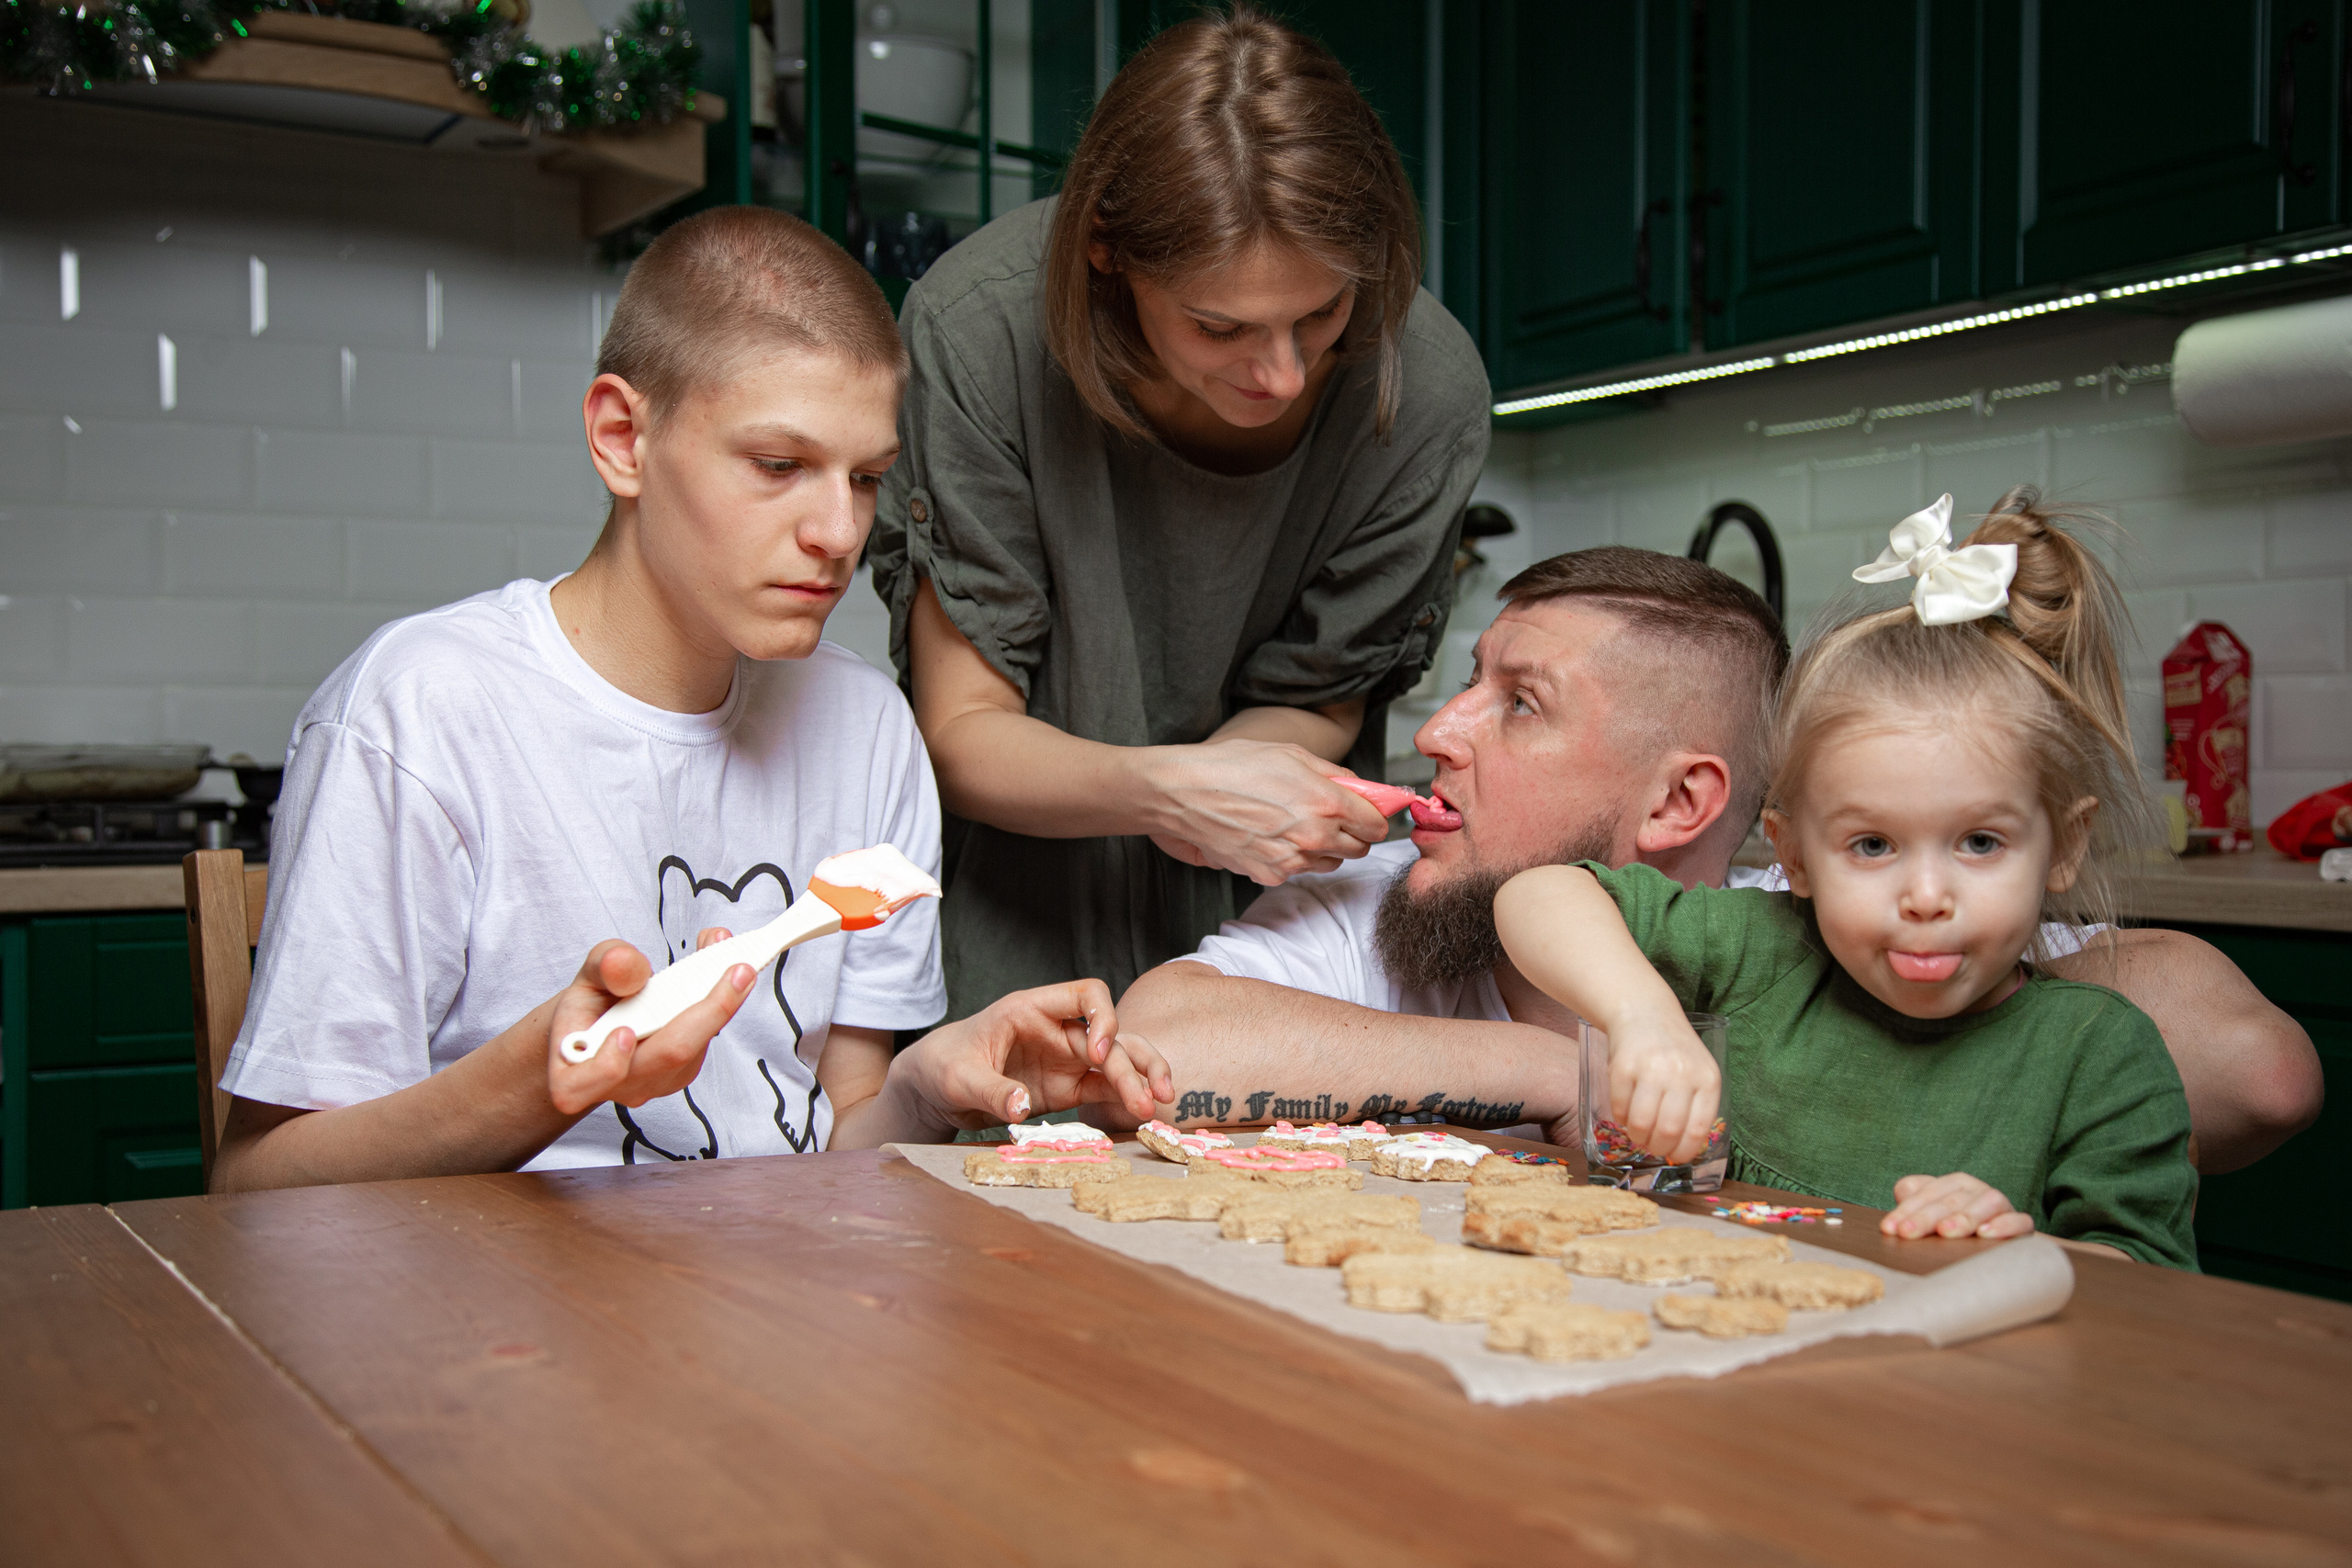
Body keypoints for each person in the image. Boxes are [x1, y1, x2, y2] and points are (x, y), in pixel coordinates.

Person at [212, 209, 1167, 1193]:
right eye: (779, 466)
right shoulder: (421, 712)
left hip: (766, 1301)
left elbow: (830, 1137)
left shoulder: (868, 728)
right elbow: (259, 1189)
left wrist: (928, 1089)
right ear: (623, 437)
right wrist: (549, 1083)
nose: (838, 532)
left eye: (868, 477)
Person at [1116, 547, 2323, 1178]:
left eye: (1518, 703)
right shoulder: (1383, 893)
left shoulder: (1830, 932)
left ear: (1682, 800)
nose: (1436, 730)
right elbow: (1162, 1041)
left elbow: (2255, 1071)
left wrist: (1886, 1045)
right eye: (1468, 681)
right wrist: (1571, 1065)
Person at [868, 5, 1490, 1018]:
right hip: (1013, 926)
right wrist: (1173, 796)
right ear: (1108, 253)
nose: (1282, 376)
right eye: (1220, 327)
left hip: (1276, 952)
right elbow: (964, 728)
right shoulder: (980, 331)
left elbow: (1326, 695)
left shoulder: (1427, 389)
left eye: (1321, 314)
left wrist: (1215, 801)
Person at [1495, 492, 2196, 1266]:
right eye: (1871, 845)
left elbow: (2153, 1282)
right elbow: (1540, 892)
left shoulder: (2101, 1055)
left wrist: (2023, 1247)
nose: (1926, 896)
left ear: (2063, 845)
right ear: (1792, 853)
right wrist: (1642, 1016)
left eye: (1980, 841)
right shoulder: (1765, 954)